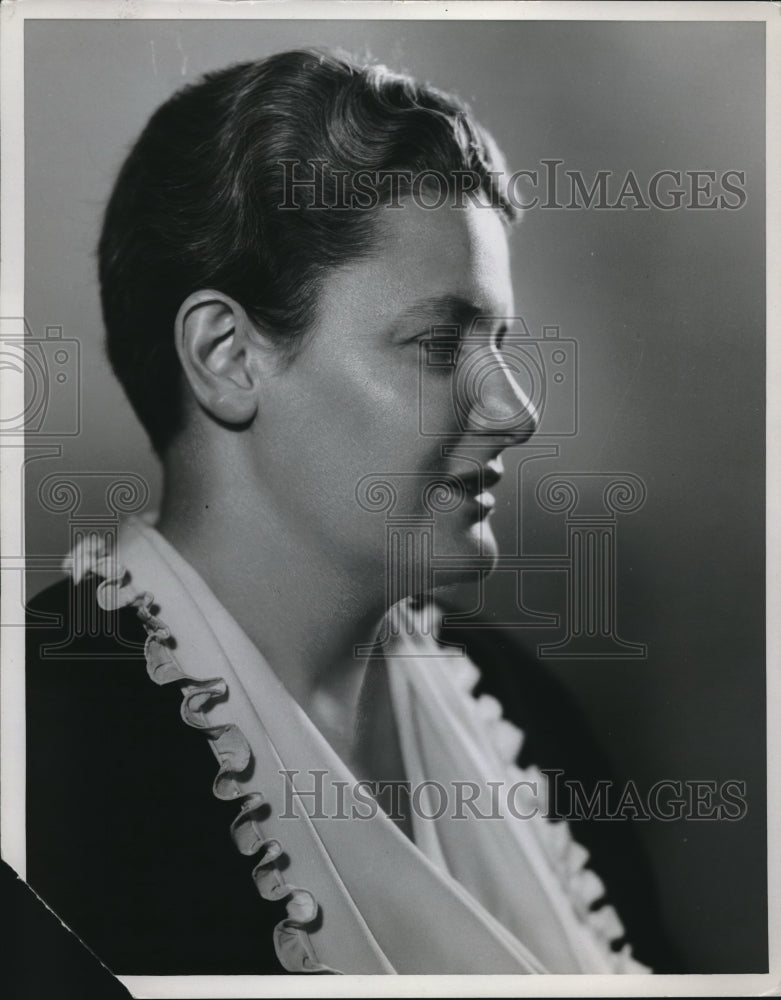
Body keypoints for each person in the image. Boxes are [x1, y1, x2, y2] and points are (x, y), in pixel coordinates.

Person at [25, 48, 672, 976]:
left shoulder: (525, 713)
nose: (516, 411)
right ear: (227, 356)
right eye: (439, 342)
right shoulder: (44, 754)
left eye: (499, 343)